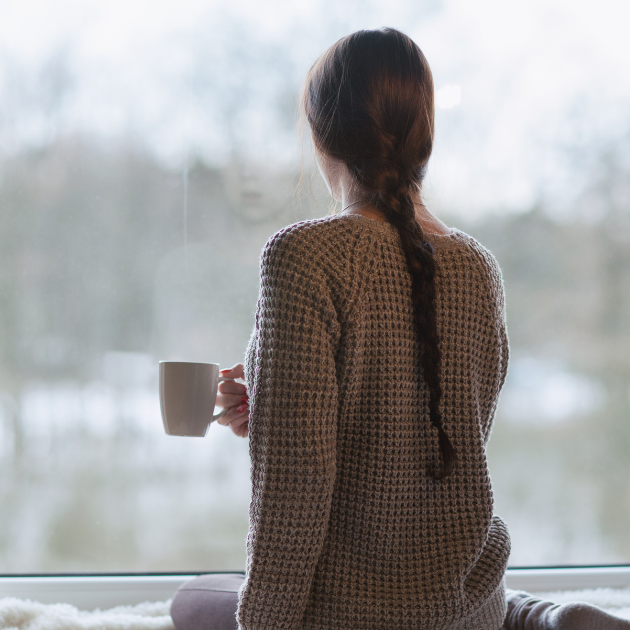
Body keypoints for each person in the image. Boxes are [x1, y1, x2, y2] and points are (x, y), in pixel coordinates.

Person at [170, 28, 630, 630]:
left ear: (320, 134)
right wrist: (271, 405)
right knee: (477, 604)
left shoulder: (305, 256)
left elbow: (295, 492)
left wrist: (264, 624)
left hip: (352, 611)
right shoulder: (478, 266)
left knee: (192, 600)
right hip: (460, 594)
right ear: (424, 135)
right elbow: (439, 435)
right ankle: (530, 616)